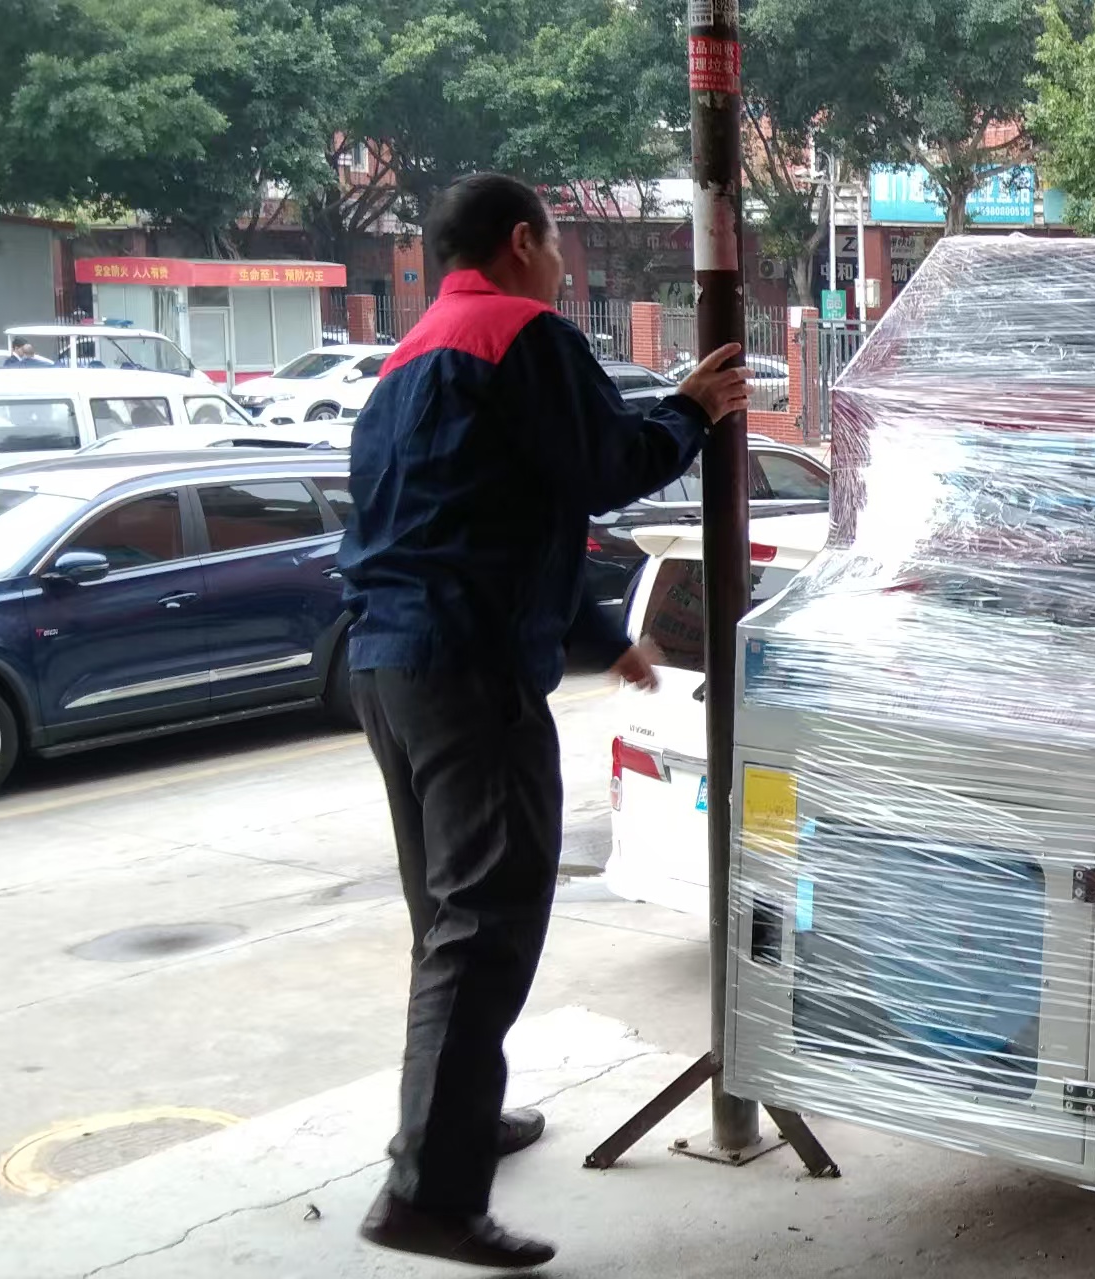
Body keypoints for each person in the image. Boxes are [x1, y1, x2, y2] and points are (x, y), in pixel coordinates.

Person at [340, 172, 749, 1269]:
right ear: (522, 241)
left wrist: (596, 630)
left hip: (389, 666)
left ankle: (452, 1126)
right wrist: (693, 410)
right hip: (468, 674)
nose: (563, 266)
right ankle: (428, 1192)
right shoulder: (521, 334)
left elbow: (492, 512)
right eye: (558, 244)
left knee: (448, 917)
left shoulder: (407, 356)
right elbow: (603, 468)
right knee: (485, 922)